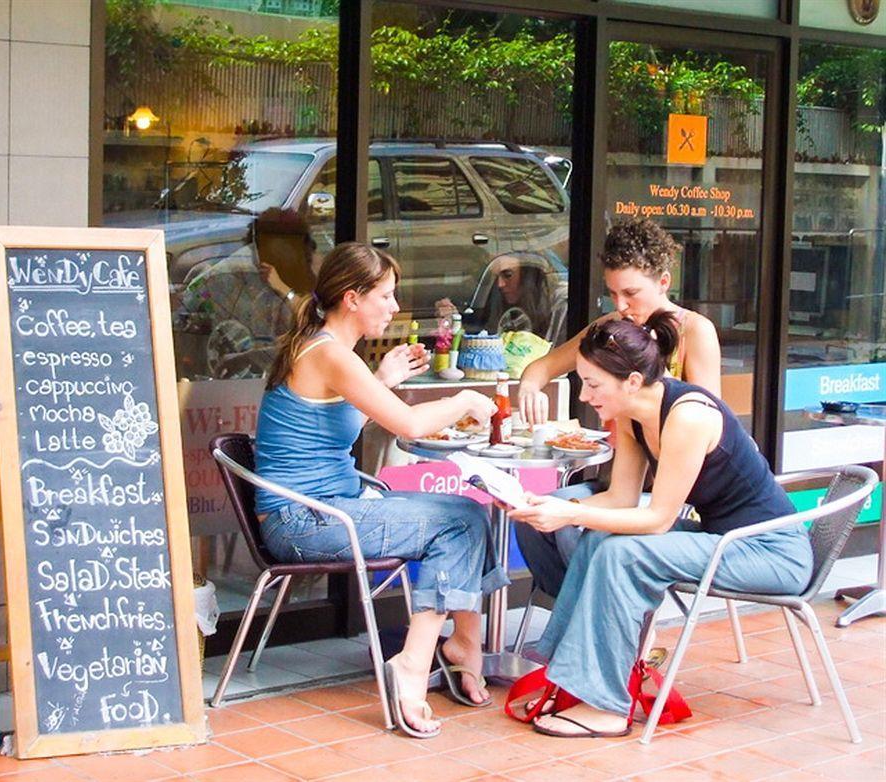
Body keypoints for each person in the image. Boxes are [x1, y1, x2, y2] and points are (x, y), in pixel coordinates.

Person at [508, 311, 812, 738]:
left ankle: (608, 707)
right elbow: (621, 500)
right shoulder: (632, 415)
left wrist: (570, 513)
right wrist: (549, 505)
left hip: (771, 550)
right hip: (722, 539)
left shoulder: (687, 416)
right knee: (600, 539)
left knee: (622, 553)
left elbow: (657, 519)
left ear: (632, 381)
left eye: (593, 384)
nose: (584, 397)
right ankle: (572, 678)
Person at [253, 242, 510, 739]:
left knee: (470, 511)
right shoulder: (330, 353)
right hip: (304, 523)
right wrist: (463, 399)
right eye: (387, 296)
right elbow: (410, 425)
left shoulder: (326, 349)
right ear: (352, 298)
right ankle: (415, 664)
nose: (394, 307)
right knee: (457, 524)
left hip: (328, 509)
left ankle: (464, 644)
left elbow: (335, 420)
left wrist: (384, 378)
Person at [515, 217, 722, 597]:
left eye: (631, 293)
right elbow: (544, 365)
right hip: (620, 481)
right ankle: (578, 611)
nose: (622, 306)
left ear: (663, 283)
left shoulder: (695, 331)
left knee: (578, 529)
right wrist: (530, 385)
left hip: (669, 493)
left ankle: (599, 625)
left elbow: (710, 425)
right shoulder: (611, 327)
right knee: (532, 519)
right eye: (613, 294)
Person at [176, 207, 319, 379]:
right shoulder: (227, 278)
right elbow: (186, 311)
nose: (265, 255)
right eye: (261, 247)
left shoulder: (308, 283)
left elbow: (313, 327)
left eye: (283, 248)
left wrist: (282, 289)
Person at [436, 252, 568, 345]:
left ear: (528, 276)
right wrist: (454, 320)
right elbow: (480, 330)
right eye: (496, 277)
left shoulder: (559, 306)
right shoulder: (496, 302)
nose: (500, 284)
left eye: (508, 275)